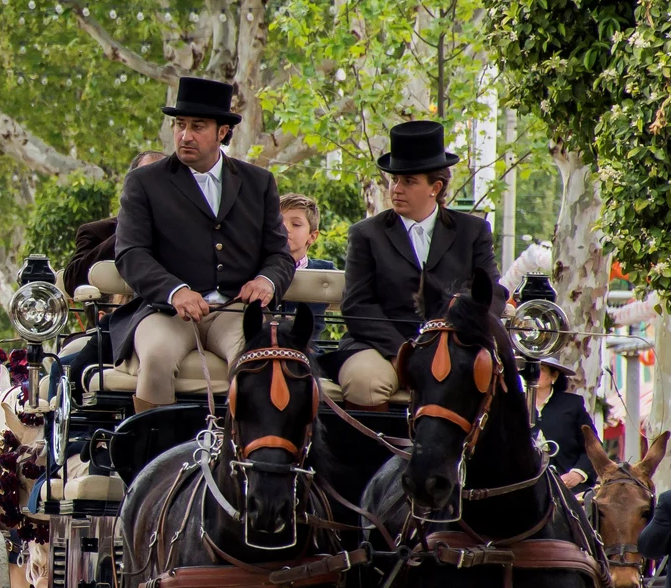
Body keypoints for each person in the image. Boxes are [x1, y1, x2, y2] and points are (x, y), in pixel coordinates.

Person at [113, 76, 294, 414]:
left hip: (235, 309)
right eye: (180, 125)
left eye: (197, 126)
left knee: (255, 355)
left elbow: (279, 255)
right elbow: (130, 253)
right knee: (156, 358)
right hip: (166, 311)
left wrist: (266, 281)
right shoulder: (144, 182)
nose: (185, 135)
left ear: (222, 131)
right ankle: (157, 458)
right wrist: (175, 291)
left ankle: (243, 456)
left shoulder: (258, 182)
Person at [333, 121, 501, 409]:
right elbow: (357, 306)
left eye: (408, 181)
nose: (396, 189)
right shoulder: (366, 234)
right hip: (384, 346)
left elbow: (492, 294)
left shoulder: (473, 231)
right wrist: (404, 351)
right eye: (394, 179)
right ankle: (373, 453)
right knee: (365, 382)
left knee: (487, 379)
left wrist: (455, 338)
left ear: (435, 187)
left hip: (456, 342)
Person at [63, 150, 167, 290]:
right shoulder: (95, 232)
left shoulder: (189, 227)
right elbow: (72, 281)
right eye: (146, 180)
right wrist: (130, 232)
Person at [531, 357, 596, 493]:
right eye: (530, 369)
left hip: (567, 484)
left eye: (540, 370)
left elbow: (593, 446)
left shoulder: (572, 405)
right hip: (525, 484)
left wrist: (577, 474)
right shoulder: (515, 406)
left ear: (554, 375)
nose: (534, 373)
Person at [280, 194, 337, 271]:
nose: (284, 228)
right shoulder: (258, 270)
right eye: (278, 222)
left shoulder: (327, 272)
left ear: (312, 236)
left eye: (296, 224)